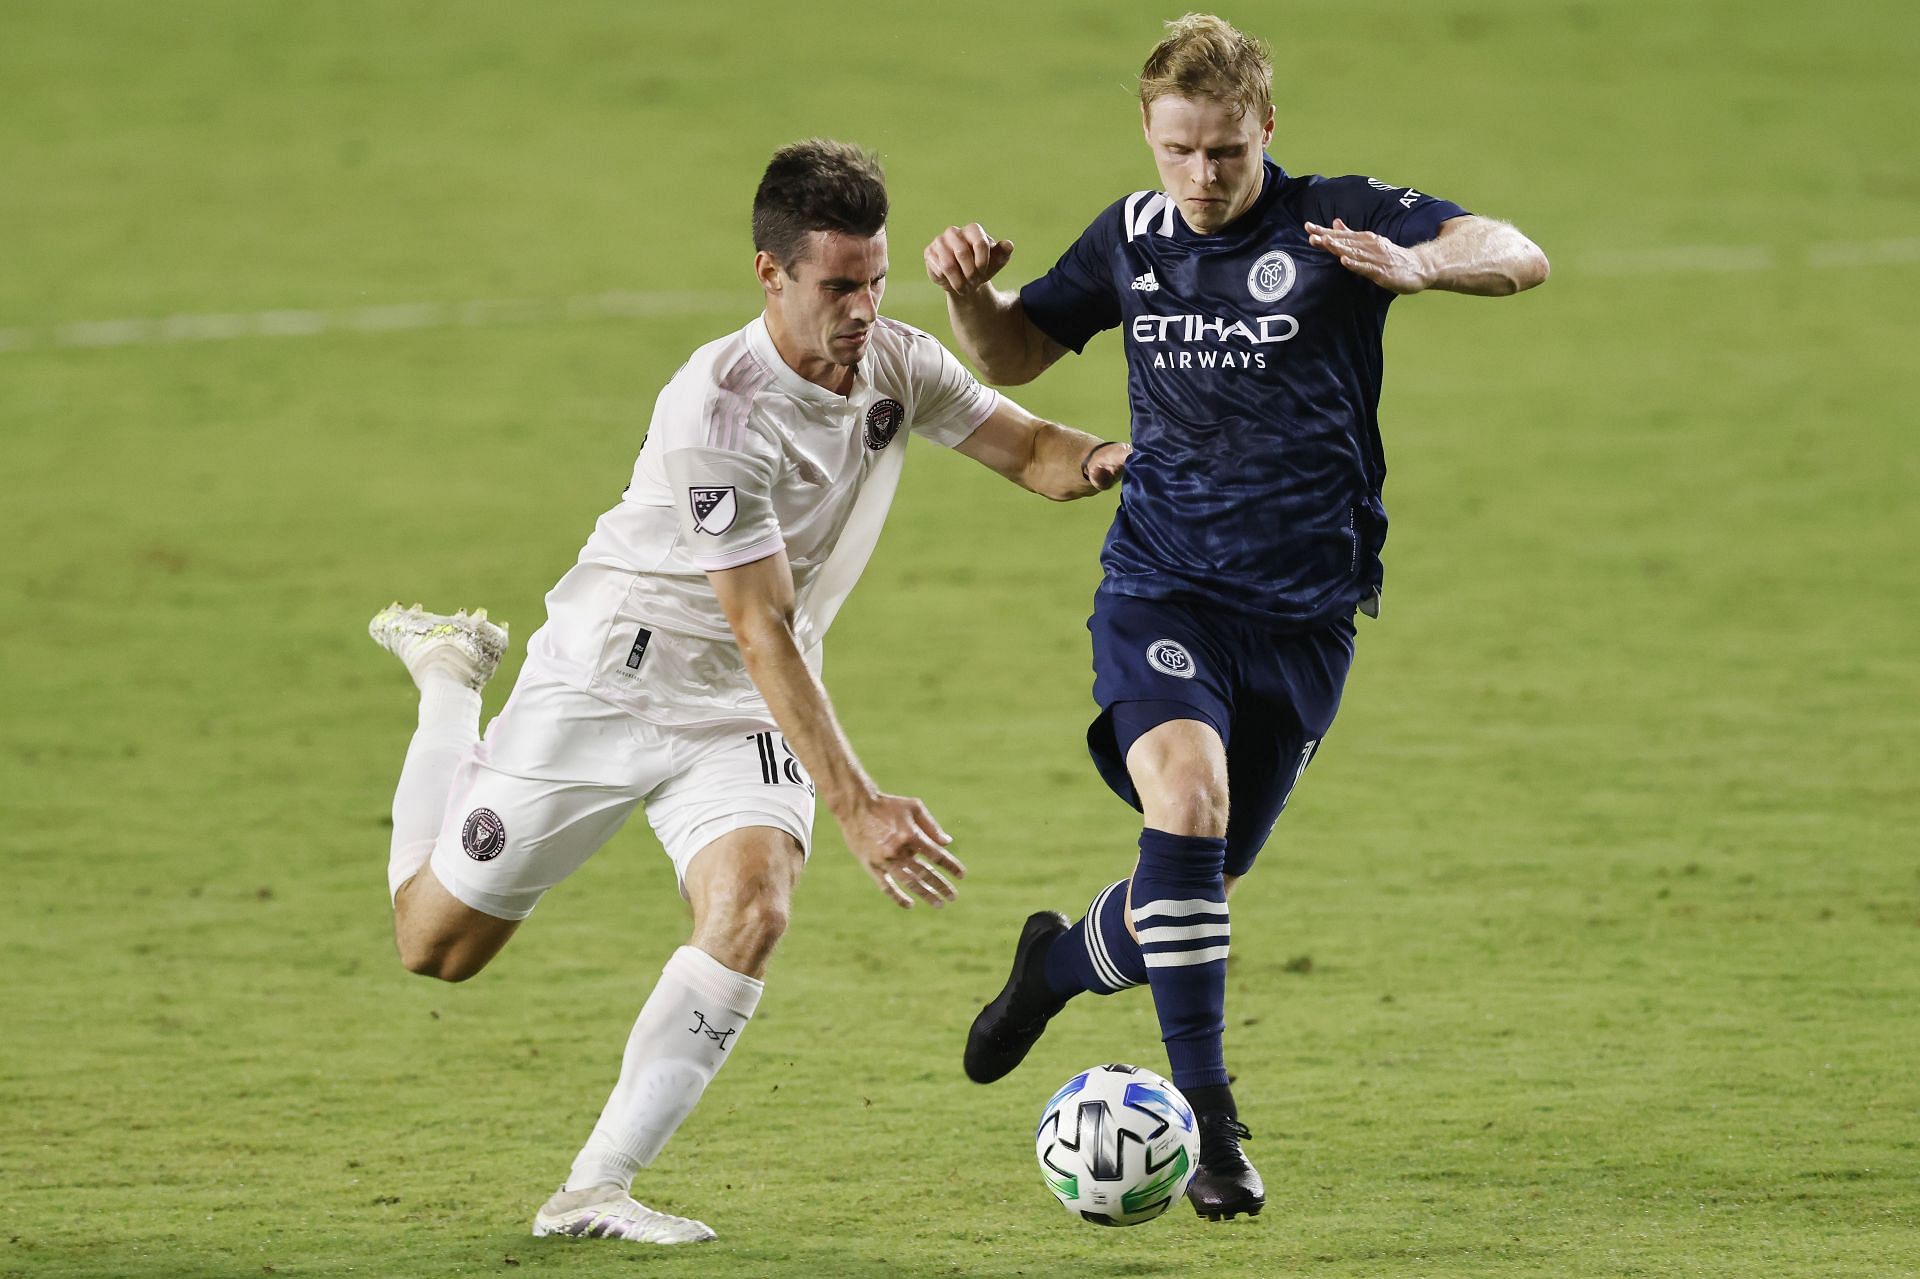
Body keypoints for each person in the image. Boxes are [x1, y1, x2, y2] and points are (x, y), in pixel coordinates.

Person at [369, 139, 1129, 1247]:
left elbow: (1034, 452)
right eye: (838, 286)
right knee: (435, 947)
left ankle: (595, 1187)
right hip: (607, 683)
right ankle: (448, 682)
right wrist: (860, 804)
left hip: (740, 708)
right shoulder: (718, 409)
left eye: (875, 280)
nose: (864, 307)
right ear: (770, 275)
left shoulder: (899, 361)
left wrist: (1129, 459)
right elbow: (760, 622)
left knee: (756, 904)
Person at [924, 14, 1549, 1221]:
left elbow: (1518, 250)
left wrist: (1422, 265)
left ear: (1267, 128)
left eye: (1224, 152)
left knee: (1196, 884)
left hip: (1309, 615)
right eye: (1178, 151)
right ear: (1148, 137)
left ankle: (1052, 967)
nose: (1201, 179)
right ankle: (1212, 1131)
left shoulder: (1340, 219)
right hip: (1164, 583)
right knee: (1190, 807)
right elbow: (1016, 357)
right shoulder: (1132, 234)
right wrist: (970, 295)